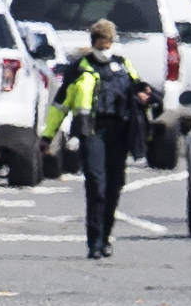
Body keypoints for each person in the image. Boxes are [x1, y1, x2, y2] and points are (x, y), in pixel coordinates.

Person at [42, 19, 153, 259]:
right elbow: (60, 104)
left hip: (120, 133)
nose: (105, 50)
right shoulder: (79, 68)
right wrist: (47, 135)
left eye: (108, 44)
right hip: (92, 132)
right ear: (93, 44)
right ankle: (94, 241)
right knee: (96, 184)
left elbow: (137, 87)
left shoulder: (123, 65)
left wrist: (144, 92)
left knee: (114, 186)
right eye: (101, 45)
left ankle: (106, 237)